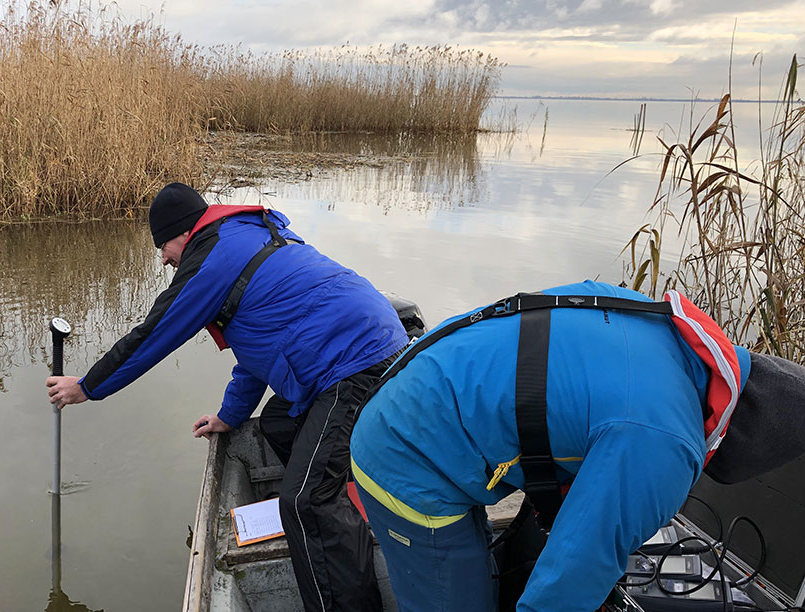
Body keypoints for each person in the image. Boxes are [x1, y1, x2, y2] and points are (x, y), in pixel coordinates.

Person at [46, 182, 408, 612]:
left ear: (184, 234)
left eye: (163, 246)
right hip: (364, 347)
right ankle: (345, 500)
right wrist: (229, 415)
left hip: (354, 364)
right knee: (278, 422)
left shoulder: (210, 261)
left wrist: (87, 386)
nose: (163, 258)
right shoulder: (243, 237)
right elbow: (256, 354)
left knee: (304, 500)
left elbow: (152, 337)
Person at [348, 279, 805, 612]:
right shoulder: (666, 441)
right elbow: (565, 587)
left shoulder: (655, 322)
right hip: (406, 455)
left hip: (421, 391)